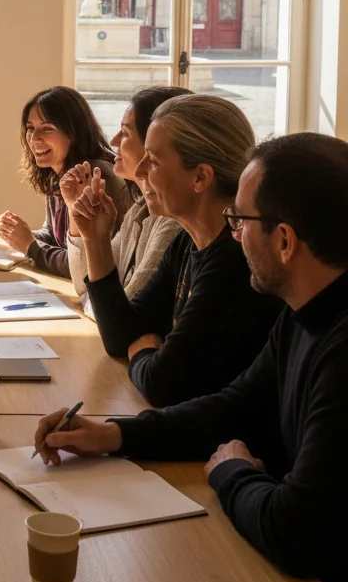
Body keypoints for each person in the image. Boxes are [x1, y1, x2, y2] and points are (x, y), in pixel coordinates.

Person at [33, 132, 348, 582]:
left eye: (240, 220)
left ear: (284, 241)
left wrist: (233, 472)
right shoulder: (304, 309)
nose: (234, 233)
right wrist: (114, 435)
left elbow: (296, 533)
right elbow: (236, 407)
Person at [72, 93, 282, 406]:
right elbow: (119, 335)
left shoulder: (234, 257)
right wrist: (95, 240)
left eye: (153, 161)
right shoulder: (187, 241)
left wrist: (142, 350)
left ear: (200, 177)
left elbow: (162, 384)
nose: (140, 171)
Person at [61, 86, 189, 317]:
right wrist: (74, 211)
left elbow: (122, 315)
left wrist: (96, 302)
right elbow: (84, 285)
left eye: (125, 133)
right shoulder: (139, 210)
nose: (113, 141)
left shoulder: (173, 222)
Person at [0, 87, 132, 277]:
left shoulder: (96, 177)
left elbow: (82, 265)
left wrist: (31, 247)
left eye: (47, 129)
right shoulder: (56, 171)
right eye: (30, 128)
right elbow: (53, 234)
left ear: (74, 132)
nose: (34, 139)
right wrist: (21, 235)